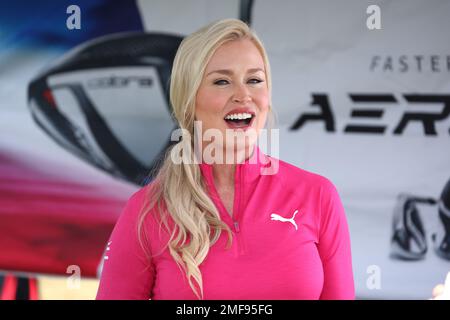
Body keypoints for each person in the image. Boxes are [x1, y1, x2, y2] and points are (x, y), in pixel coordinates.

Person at [96, 18, 355, 300]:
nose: (243, 95)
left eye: (254, 80)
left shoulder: (318, 196)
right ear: (189, 98)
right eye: (222, 81)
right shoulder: (146, 211)